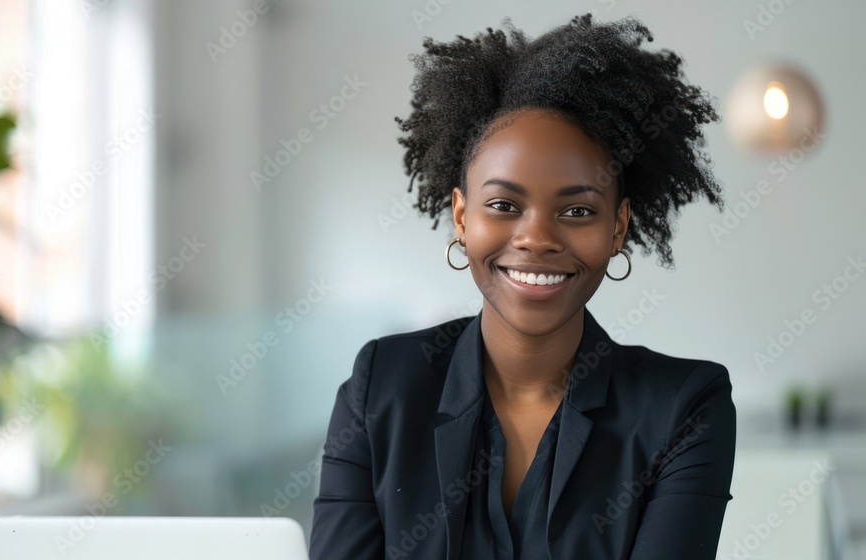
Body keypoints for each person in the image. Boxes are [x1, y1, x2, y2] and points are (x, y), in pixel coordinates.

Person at [308, 12, 736, 560]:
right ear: (462, 218)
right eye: (504, 206)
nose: (536, 238)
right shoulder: (381, 390)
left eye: (577, 210)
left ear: (618, 228)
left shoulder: (685, 407)